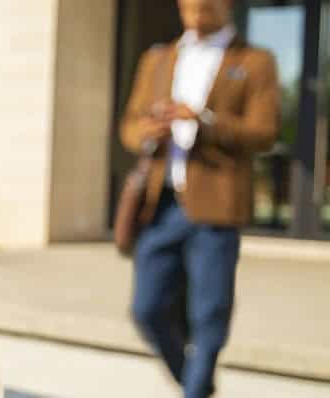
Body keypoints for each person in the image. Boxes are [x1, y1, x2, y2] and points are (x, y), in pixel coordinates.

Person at [120, 0, 279, 397]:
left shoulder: (255, 61)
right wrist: (148, 131)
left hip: (217, 206)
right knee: (147, 309)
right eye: (189, 3)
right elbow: (129, 127)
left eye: (206, 4)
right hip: (161, 204)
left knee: (209, 313)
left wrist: (203, 121)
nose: (196, 9)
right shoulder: (158, 58)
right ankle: (199, 385)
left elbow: (264, 133)